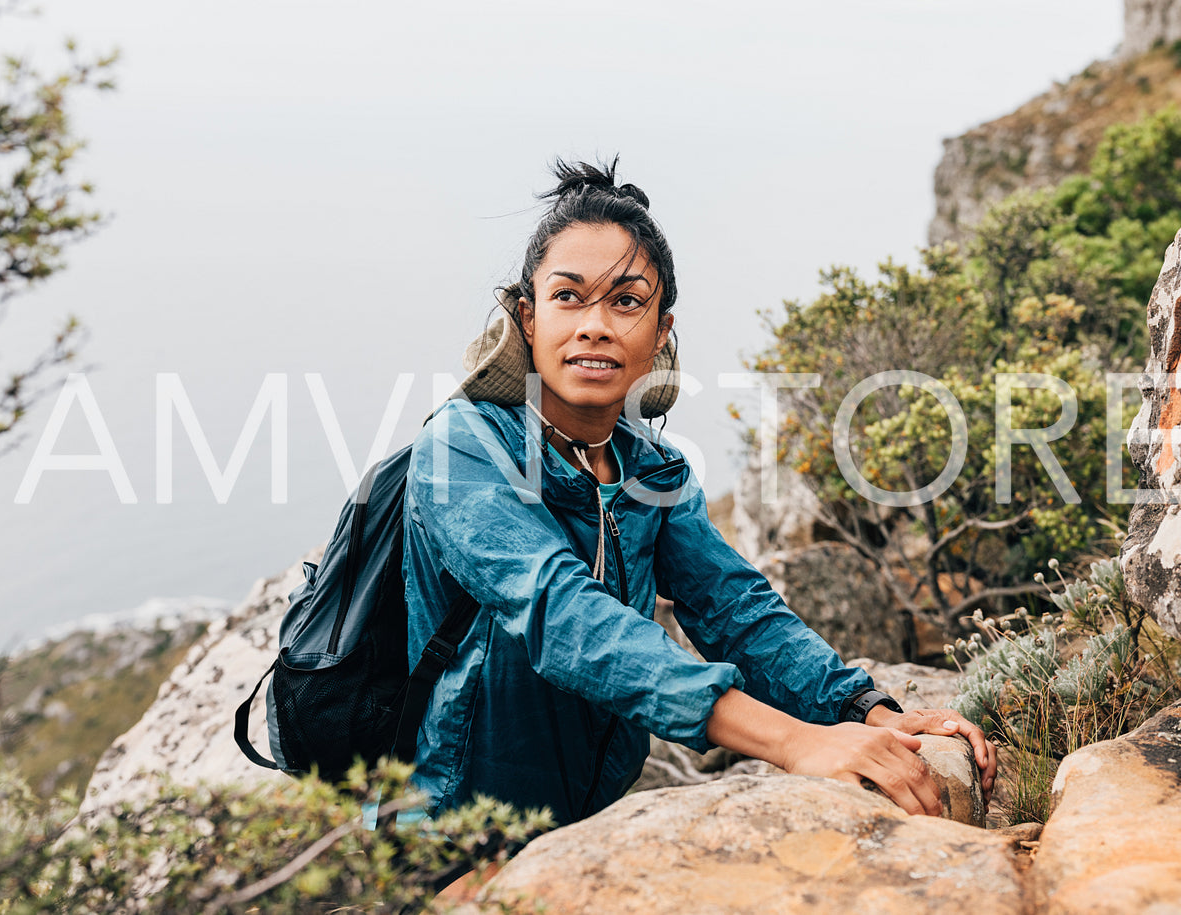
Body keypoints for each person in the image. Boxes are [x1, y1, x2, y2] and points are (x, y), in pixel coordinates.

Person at [400, 157, 997, 834]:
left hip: (591, 821)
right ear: (527, 318)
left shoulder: (652, 468)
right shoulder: (463, 445)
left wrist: (864, 709)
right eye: (568, 296)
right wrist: (794, 741)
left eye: (626, 301)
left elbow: (732, 608)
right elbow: (560, 615)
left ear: (660, 332)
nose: (595, 324)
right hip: (453, 826)